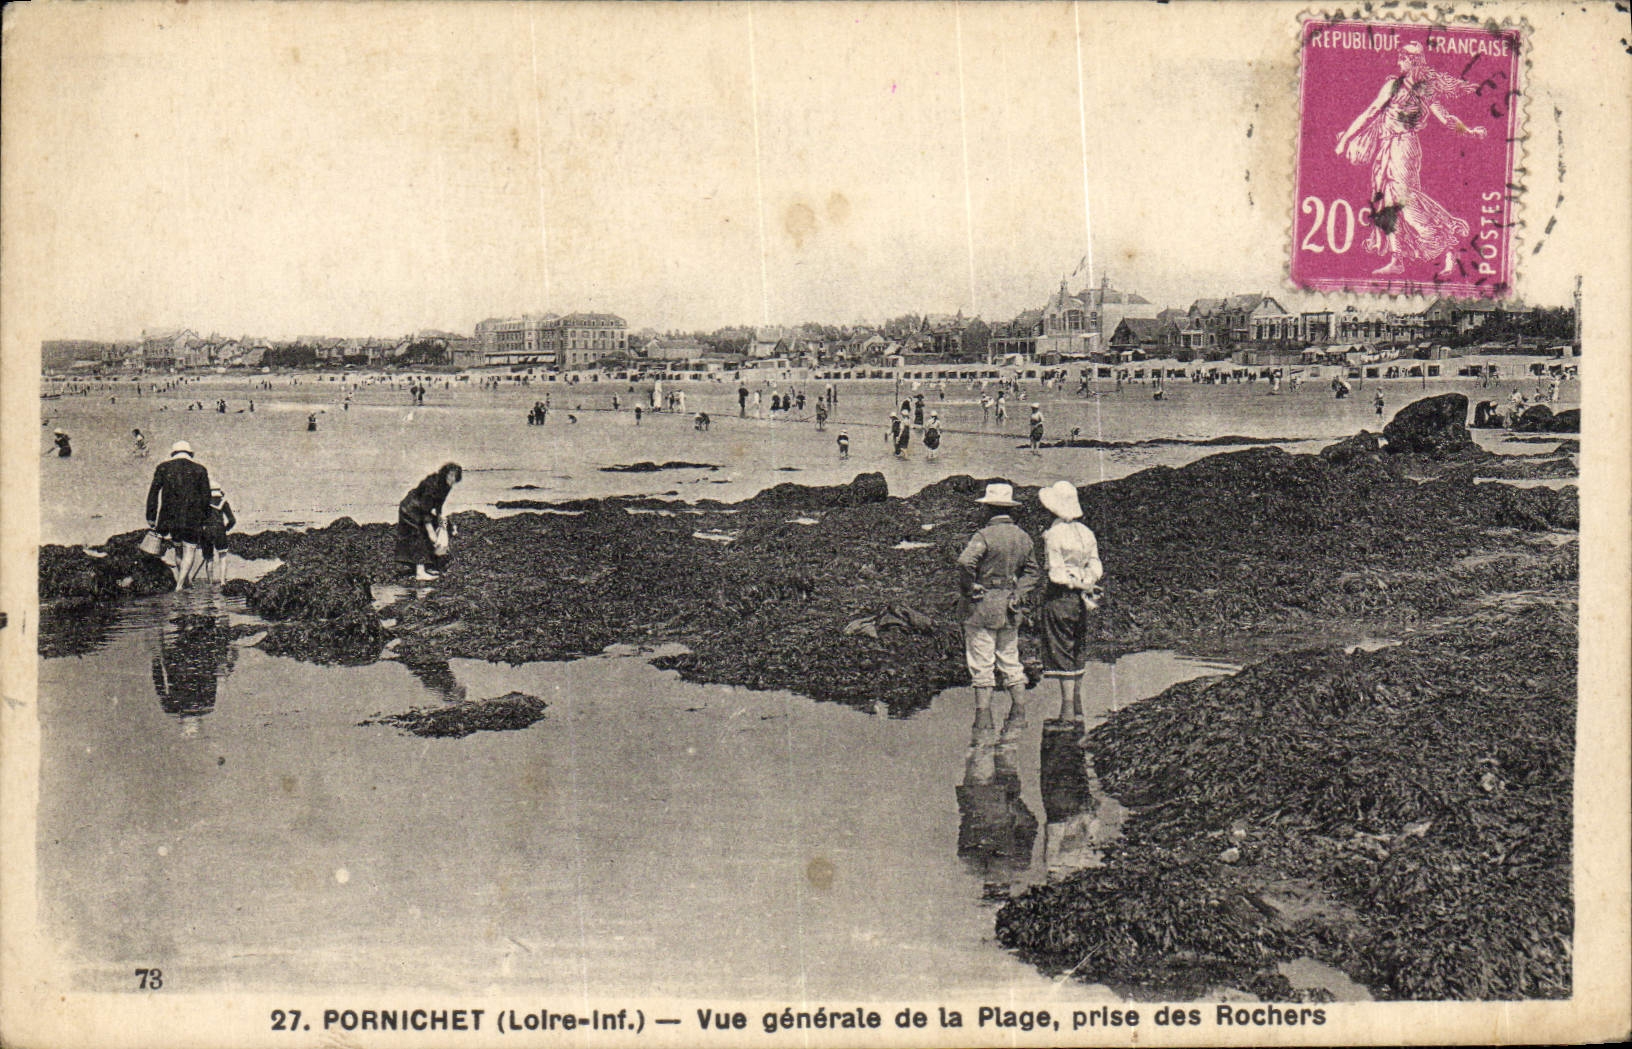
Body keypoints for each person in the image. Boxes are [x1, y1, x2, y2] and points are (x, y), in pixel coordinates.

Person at [1335, 39, 1486, 277]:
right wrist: (1346, 139)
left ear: (1412, 61)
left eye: (1402, 58)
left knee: (1406, 201)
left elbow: (1443, 118)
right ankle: (1398, 258)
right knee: (1387, 202)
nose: (1398, 62)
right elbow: (1372, 111)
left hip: (1404, 147)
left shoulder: (1419, 88)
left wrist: (1469, 131)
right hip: (1388, 147)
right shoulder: (1395, 86)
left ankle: (1447, 244)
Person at [957, 483, 1041, 743]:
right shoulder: (1023, 536)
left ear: (988, 509)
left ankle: (982, 729)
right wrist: (1019, 594)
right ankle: (1017, 721)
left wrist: (970, 587)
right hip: (1010, 605)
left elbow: (964, 562)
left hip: (983, 606)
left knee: (982, 666)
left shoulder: (984, 535)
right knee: (1011, 661)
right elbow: (1033, 572)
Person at [1037, 481, 1104, 735]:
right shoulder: (1086, 532)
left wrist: (1072, 581)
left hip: (1060, 596)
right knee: (1077, 644)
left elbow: (1055, 574)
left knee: (1060, 645)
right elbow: (1096, 565)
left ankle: (1066, 710)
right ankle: (1077, 705)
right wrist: (1087, 582)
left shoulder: (1053, 534)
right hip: (1083, 597)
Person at [145, 441, 212, 588]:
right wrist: (206, 519)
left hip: (169, 517)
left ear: (173, 453)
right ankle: (180, 585)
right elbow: (206, 498)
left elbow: (153, 493)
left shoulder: (163, 468)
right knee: (189, 549)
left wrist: (151, 516)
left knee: (178, 548)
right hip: (192, 517)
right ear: (190, 453)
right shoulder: (200, 470)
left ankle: (185, 581)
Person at [395, 462, 461, 581]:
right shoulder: (432, 484)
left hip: (422, 509)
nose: (452, 479)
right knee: (419, 535)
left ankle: (430, 564)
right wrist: (431, 531)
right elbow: (425, 511)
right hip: (411, 508)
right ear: (444, 474)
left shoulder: (447, 486)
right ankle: (420, 572)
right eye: (450, 475)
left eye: (455, 476)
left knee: (444, 526)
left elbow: (439, 505)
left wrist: (444, 524)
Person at [195, 486, 237, 584]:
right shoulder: (223, 503)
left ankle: (210, 582)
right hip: (219, 530)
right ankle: (222, 582)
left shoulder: (203, 504)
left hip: (206, 532)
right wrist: (226, 529)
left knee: (209, 558)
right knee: (223, 556)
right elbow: (232, 520)